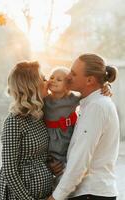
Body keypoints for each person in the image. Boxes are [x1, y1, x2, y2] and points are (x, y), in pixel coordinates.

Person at [47, 54, 119, 200]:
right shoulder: (91, 104)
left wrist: (56, 197)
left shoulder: (96, 107)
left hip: (91, 193)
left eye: (73, 74)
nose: (68, 77)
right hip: (90, 192)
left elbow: (80, 158)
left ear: (90, 80)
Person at [0, 61, 53, 200]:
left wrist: (103, 86)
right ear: (32, 86)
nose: (49, 82)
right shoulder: (14, 122)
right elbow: (9, 170)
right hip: (19, 196)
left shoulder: (41, 113)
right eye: (43, 79)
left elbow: (68, 89)